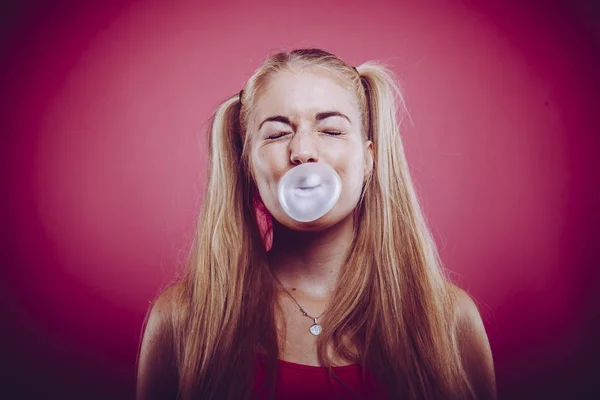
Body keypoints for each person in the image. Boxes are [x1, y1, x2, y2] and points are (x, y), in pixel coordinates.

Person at [135, 48, 496, 400]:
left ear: (369, 160)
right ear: (247, 167)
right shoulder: (183, 319)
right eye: (276, 134)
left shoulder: (448, 319)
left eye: (331, 130)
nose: (303, 151)